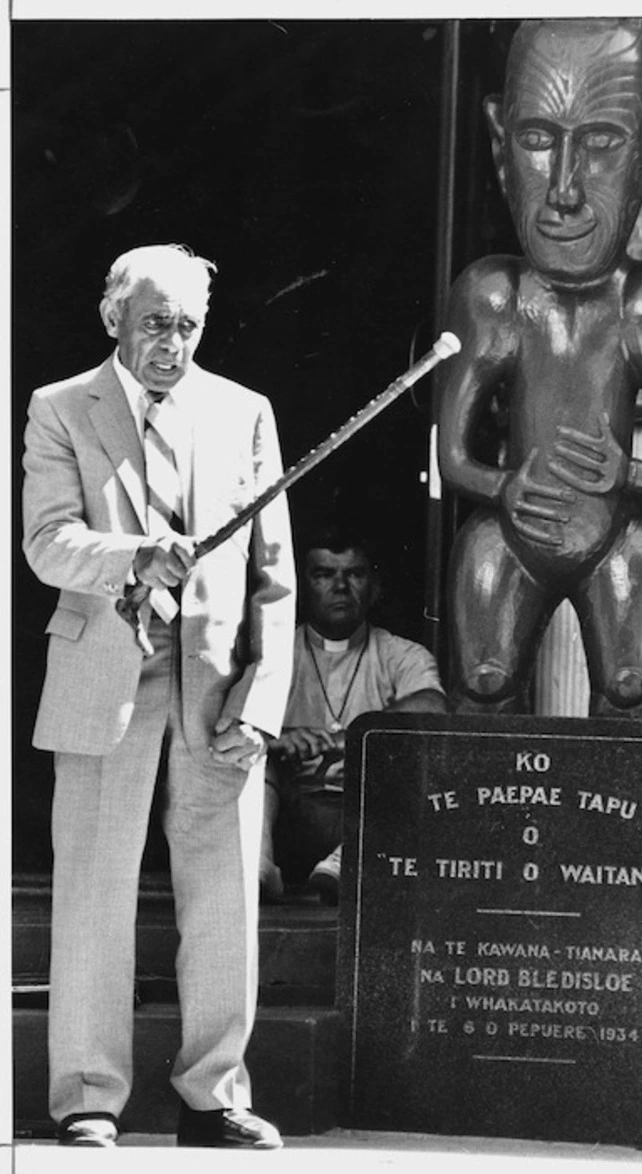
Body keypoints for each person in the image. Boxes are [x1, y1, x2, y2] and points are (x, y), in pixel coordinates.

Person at [22, 244, 296, 1148]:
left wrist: (260, 702)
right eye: (154, 324)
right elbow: (49, 542)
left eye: (187, 325)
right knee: (94, 897)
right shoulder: (60, 409)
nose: (172, 344)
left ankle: (214, 1096)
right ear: (113, 319)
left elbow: (274, 581)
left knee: (224, 902)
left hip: (217, 694)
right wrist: (137, 554)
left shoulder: (245, 412)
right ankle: (89, 1098)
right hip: (105, 684)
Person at [438, 18, 642, 719]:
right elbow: (452, 460)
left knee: (629, 687)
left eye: (602, 143)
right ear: (499, 145)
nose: (563, 190)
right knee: (484, 680)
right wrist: (501, 485)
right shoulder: (492, 296)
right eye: (535, 140)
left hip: (615, 532)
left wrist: (628, 476)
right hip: (509, 532)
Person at [260, 525, 446, 905]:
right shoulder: (271, 652)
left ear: (374, 587)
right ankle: (259, 867)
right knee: (249, 752)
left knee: (411, 749)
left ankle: (346, 864)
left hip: (367, 820)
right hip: (286, 817)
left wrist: (358, 737)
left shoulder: (401, 654)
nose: (340, 587)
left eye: (354, 574)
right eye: (324, 575)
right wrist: (275, 737)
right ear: (302, 585)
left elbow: (433, 706)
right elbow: (226, 721)